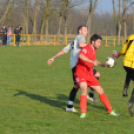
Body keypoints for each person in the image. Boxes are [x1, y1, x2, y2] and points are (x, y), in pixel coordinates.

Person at [47, 26, 101, 113]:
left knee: (76, 86)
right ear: (80, 31)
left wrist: (53, 58)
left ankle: (69, 106)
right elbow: (81, 44)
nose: (86, 32)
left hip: (73, 65)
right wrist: (91, 45)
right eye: (85, 30)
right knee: (96, 74)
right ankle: (90, 94)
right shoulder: (80, 37)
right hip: (79, 65)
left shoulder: (73, 42)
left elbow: (63, 51)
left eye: (87, 30)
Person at [74, 34, 119, 118]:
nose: (99, 44)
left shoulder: (94, 49)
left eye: (100, 42)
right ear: (93, 42)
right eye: (98, 42)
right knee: (84, 89)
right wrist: (91, 61)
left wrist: (100, 63)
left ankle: (110, 111)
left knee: (100, 90)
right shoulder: (86, 48)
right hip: (81, 73)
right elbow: (81, 56)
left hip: (89, 74)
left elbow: (93, 59)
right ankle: (83, 113)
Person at [113, 34, 134, 116]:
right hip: (133, 64)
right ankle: (130, 102)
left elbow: (124, 49)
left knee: (129, 72)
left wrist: (119, 54)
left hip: (125, 63)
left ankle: (125, 88)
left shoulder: (130, 36)